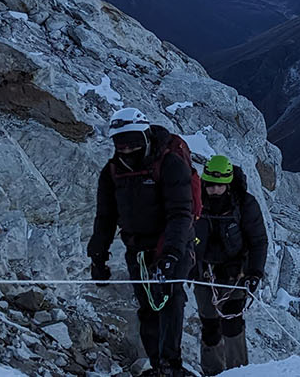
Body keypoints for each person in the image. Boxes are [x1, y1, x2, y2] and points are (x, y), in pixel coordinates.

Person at [87, 108, 196, 377]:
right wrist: (98, 256)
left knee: (171, 300)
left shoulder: (169, 164)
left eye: (132, 141)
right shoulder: (112, 172)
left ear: (146, 136)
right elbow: (106, 216)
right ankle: (159, 365)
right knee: (148, 306)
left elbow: (181, 212)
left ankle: (171, 365)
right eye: (120, 143)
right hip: (137, 250)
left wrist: (171, 255)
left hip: (173, 243)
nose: (126, 149)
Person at [191, 154, 267, 375]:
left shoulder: (244, 204)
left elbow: (258, 240)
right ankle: (212, 372)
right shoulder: (195, 201)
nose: (214, 190)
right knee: (210, 326)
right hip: (204, 273)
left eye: (219, 186)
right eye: (210, 186)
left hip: (236, 273)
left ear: (228, 184)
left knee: (232, 323)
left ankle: (239, 372)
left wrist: (254, 273)